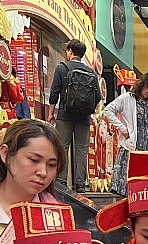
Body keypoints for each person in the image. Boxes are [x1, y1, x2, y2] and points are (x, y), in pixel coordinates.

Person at [47, 38, 100, 193]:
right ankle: (79, 184)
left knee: (62, 147)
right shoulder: (90, 72)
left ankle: (62, 183)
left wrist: (51, 113)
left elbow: (54, 92)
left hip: (65, 114)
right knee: (82, 150)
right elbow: (97, 96)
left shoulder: (62, 68)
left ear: (70, 52)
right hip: (84, 117)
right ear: (82, 54)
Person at [103, 73, 148, 197]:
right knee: (127, 188)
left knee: (144, 188)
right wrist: (123, 129)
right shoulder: (128, 98)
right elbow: (107, 110)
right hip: (132, 149)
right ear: (142, 85)